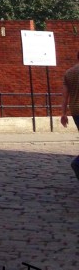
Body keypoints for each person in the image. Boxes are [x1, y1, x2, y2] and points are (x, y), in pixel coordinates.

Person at [60, 51, 79, 179]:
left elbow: (65, 96)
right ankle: (77, 163)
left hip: (75, 111)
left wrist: (63, 114)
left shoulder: (69, 73)